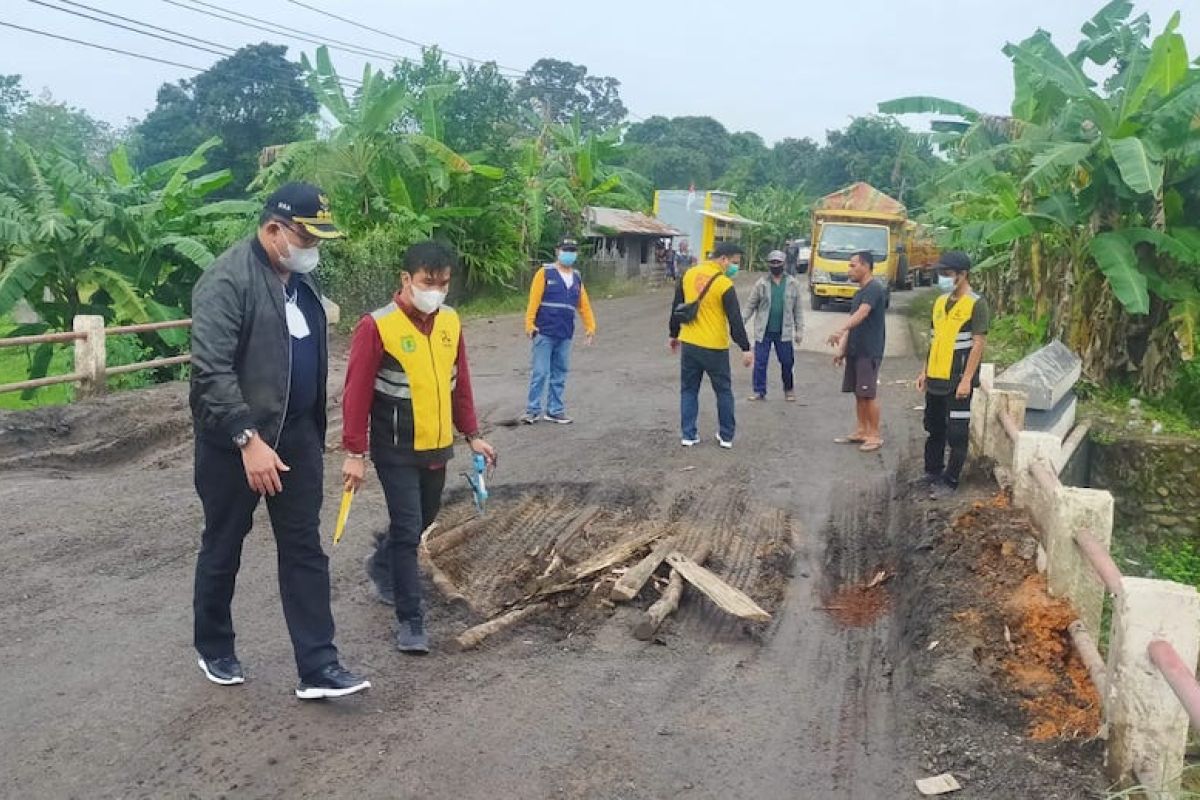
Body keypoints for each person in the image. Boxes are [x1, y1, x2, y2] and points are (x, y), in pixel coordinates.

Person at [190, 183, 370, 699]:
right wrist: (247, 439)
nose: (314, 249)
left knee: (304, 549)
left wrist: (313, 432)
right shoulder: (227, 280)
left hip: (296, 438)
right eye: (306, 237)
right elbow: (211, 370)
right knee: (224, 544)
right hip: (234, 443)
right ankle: (214, 646)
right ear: (273, 230)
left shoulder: (301, 283)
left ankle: (319, 666)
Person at [342, 240, 498, 653]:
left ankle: (381, 562)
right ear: (406, 280)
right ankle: (411, 622)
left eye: (444, 283)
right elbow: (355, 394)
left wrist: (472, 434)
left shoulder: (450, 322)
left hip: (437, 445)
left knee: (423, 519)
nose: (437, 290)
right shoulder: (377, 326)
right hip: (395, 448)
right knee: (410, 530)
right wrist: (354, 453)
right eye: (429, 282)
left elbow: (458, 383)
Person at [916, 251, 990, 499]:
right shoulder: (939, 303)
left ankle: (951, 480)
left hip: (957, 380)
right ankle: (932, 472)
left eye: (946, 274)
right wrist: (924, 371)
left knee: (957, 432)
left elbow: (978, 344)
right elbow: (934, 340)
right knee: (933, 426)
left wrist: (967, 379)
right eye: (941, 273)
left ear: (962, 274)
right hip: (936, 377)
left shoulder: (976, 304)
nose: (942, 278)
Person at [668, 241, 754, 449]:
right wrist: (745, 347)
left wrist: (674, 334)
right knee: (723, 391)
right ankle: (726, 436)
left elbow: (677, 307)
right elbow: (735, 320)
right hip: (715, 346)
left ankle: (688, 435)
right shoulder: (724, 284)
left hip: (690, 343)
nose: (733, 267)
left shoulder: (688, 274)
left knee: (689, 390)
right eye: (733, 262)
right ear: (723, 259)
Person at [521, 238, 597, 425]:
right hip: (544, 331)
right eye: (566, 250)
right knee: (540, 372)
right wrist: (529, 324)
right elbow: (534, 301)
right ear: (557, 251)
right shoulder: (545, 273)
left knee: (560, 373)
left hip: (564, 333)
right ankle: (532, 410)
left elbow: (583, 305)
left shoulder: (576, 277)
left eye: (572, 250)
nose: (569, 254)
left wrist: (590, 327)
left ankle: (555, 410)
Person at [826, 250, 888, 453]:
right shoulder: (859, 292)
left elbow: (862, 314)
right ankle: (862, 430)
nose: (849, 270)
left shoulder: (874, 289)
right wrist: (842, 349)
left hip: (869, 350)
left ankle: (875, 435)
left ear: (866, 266)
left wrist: (839, 329)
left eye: (853, 265)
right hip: (856, 349)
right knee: (858, 393)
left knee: (868, 393)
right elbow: (854, 321)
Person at [743, 249, 805, 401]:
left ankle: (789, 390)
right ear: (768, 265)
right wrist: (739, 323)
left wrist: (799, 330)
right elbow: (750, 305)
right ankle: (759, 391)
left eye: (778, 263)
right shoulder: (762, 284)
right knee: (760, 363)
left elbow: (798, 309)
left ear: (783, 264)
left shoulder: (792, 284)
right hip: (764, 331)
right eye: (773, 263)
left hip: (783, 331)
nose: (775, 265)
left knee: (787, 362)